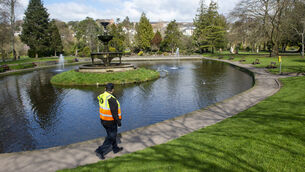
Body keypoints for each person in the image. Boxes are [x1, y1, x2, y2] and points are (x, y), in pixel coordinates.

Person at [95, 83, 123, 159]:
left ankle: (115, 148)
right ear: (113, 90)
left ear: (105, 89)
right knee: (111, 137)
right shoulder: (111, 99)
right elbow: (114, 113)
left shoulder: (102, 96)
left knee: (111, 135)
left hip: (103, 120)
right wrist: (119, 122)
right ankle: (100, 150)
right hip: (110, 121)